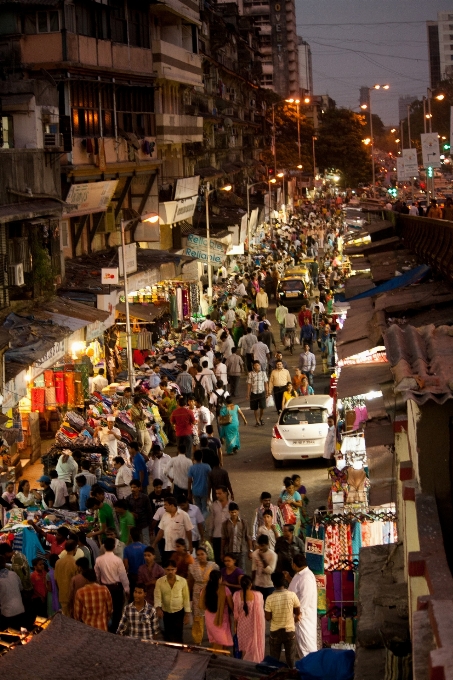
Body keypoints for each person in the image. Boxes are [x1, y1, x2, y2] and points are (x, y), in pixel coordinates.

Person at [265, 572, 301, 669]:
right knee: (291, 660)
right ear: (284, 581)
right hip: (289, 631)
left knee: (274, 661)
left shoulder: (269, 598)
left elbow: (267, 618)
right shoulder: (292, 595)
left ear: (273, 583)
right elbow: (298, 611)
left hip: (275, 632)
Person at [285, 554, 318, 657]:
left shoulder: (306, 577)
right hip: (297, 616)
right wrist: (288, 578)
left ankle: (312, 669)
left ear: (295, 564)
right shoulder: (299, 574)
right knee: (300, 645)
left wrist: (297, 614)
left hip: (303, 618)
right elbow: (297, 588)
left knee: (306, 645)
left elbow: (304, 599)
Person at [94, 537, 130, 632]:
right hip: (116, 588)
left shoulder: (98, 560)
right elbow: (123, 576)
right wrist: (127, 589)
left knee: (105, 609)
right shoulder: (117, 560)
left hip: (104, 588)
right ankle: (115, 630)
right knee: (117, 610)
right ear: (114, 547)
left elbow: (97, 575)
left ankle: (106, 628)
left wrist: (99, 584)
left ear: (104, 547)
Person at [187, 546, 219, 645]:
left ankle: (214, 639)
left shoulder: (213, 566)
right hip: (197, 591)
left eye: (202, 554)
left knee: (211, 615)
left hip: (210, 591)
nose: (200, 557)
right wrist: (189, 594)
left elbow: (217, 581)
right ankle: (197, 640)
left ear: (207, 555)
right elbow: (190, 580)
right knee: (197, 616)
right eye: (198, 555)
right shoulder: (192, 566)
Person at [154, 560, 191, 643]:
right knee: (168, 633)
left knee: (178, 633)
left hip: (179, 611)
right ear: (164, 570)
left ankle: (179, 651)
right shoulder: (159, 582)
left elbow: (186, 598)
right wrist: (158, 609)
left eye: (172, 569)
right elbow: (157, 596)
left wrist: (187, 614)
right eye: (168, 570)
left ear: (176, 569)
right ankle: (169, 651)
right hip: (166, 611)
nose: (170, 572)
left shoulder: (183, 581)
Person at [233, 575, 265, 663]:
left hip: (242, 627)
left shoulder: (236, 595)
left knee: (244, 648)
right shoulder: (258, 595)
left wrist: (235, 627)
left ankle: (244, 664)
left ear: (240, 585)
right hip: (254, 627)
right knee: (253, 647)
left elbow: (235, 614)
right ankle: (254, 664)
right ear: (251, 584)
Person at [152, 496, 193, 563]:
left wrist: (190, 546)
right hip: (168, 548)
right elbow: (161, 531)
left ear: (171, 505)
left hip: (179, 549)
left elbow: (188, 531)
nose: (164, 507)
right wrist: (154, 543)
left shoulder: (184, 515)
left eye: (166, 505)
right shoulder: (165, 515)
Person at [200, 569, 234, 649]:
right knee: (221, 640)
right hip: (221, 620)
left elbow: (202, 605)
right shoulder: (225, 589)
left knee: (215, 639)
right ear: (219, 579)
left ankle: (219, 656)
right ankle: (220, 657)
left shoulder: (205, 589)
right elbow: (231, 606)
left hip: (209, 619)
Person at [221, 502, 252, 570]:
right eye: (232, 512)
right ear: (229, 512)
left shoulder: (244, 523)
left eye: (235, 512)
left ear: (238, 511)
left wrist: (250, 550)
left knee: (242, 570)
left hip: (241, 551)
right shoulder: (225, 524)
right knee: (231, 570)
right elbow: (224, 539)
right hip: (230, 551)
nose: (234, 514)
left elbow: (248, 537)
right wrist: (222, 552)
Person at [0, 555, 26, 631]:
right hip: (20, 609)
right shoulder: (13, 574)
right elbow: (21, 588)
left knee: (10, 636)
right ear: (4, 564)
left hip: (7, 612)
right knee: (19, 633)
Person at [207, 486, 231, 566]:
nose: (217, 495)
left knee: (228, 558)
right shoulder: (214, 505)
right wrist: (210, 533)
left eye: (219, 493)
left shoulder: (232, 505)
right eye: (216, 493)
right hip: (217, 535)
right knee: (217, 558)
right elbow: (212, 520)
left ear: (226, 493)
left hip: (229, 536)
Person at [54, 539, 78, 616]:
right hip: (72, 597)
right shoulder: (75, 563)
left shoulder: (58, 562)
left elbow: (55, 580)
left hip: (62, 595)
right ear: (75, 549)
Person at [252, 534, 277, 602]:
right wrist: (252, 582)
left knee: (268, 605)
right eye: (259, 545)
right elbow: (254, 568)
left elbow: (270, 571)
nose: (260, 548)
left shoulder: (273, 555)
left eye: (262, 545)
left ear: (267, 544)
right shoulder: (255, 553)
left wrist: (262, 558)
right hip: (258, 583)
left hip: (269, 585)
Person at [123, 527, 146, 596]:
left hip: (132, 576)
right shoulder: (145, 547)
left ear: (130, 536)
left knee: (133, 594)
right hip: (143, 575)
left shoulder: (127, 549)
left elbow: (126, 565)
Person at [188, 449, 211, 515]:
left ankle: (199, 523)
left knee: (198, 508)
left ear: (194, 458)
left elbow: (189, 481)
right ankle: (202, 523)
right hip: (204, 490)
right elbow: (210, 479)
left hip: (195, 490)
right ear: (202, 457)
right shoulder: (207, 466)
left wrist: (189, 493)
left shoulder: (192, 468)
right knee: (205, 509)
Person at [247, 359, 269, 427]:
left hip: (261, 392)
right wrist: (248, 394)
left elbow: (266, 383)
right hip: (253, 393)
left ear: (260, 366)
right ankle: (257, 421)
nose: (257, 366)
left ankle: (260, 418)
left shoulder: (263, 373)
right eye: (256, 365)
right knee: (255, 408)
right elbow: (249, 384)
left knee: (262, 407)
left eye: (258, 365)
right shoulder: (250, 374)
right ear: (253, 366)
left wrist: (267, 392)